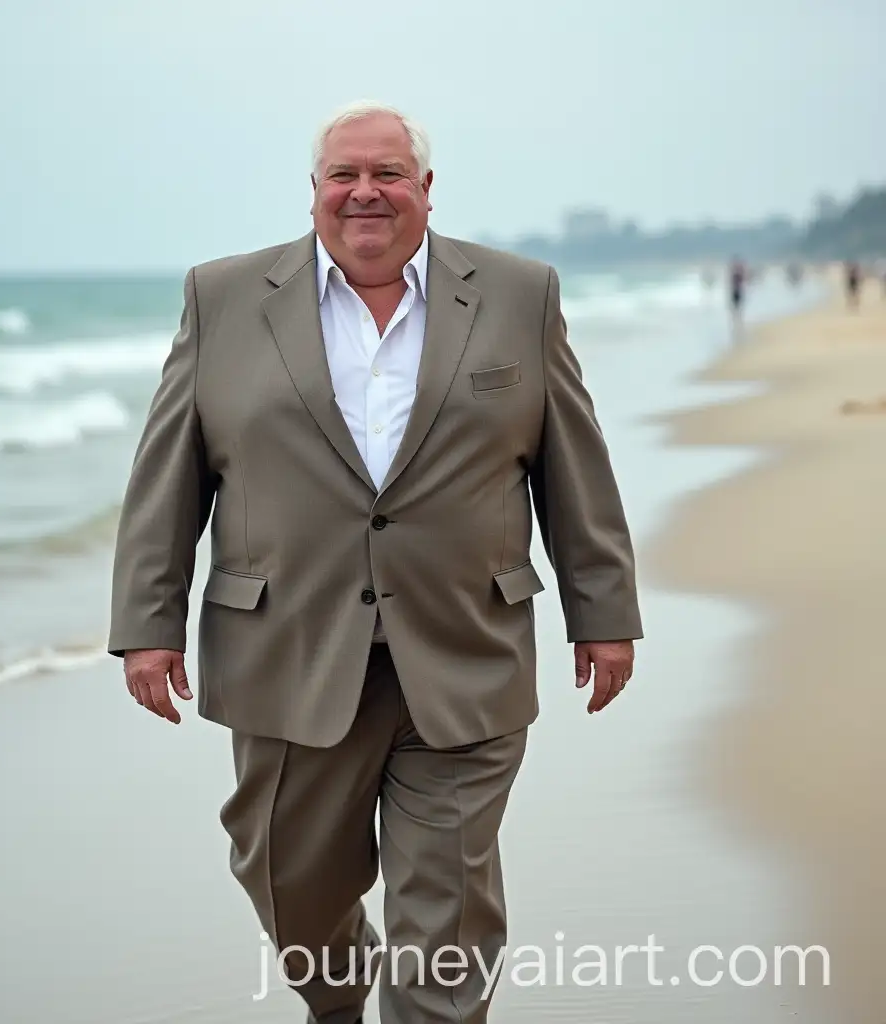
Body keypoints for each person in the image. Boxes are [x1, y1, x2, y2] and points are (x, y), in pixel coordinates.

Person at [107, 100, 643, 1024]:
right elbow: (170, 474)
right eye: (344, 175)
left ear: (426, 188)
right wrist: (147, 626)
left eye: (388, 174)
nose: (366, 192)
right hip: (287, 652)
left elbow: (572, 464)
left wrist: (602, 614)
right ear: (313, 190)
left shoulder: (519, 294)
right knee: (291, 888)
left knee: (449, 920)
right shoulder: (221, 298)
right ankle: (342, 998)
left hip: (465, 649)